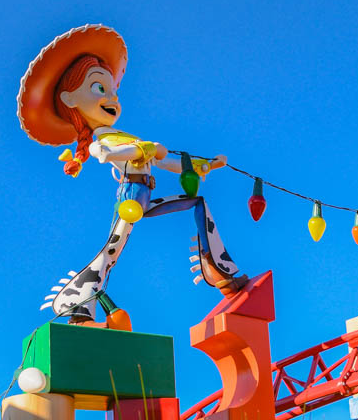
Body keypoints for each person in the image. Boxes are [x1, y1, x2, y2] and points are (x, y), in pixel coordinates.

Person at [17, 24, 246, 323]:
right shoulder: (107, 138)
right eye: (99, 88)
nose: (111, 97)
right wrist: (144, 150)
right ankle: (76, 303)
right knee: (110, 252)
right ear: (70, 99)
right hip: (132, 198)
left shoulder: (125, 136)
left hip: (142, 197)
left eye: (112, 90)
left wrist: (201, 165)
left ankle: (217, 268)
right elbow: (108, 154)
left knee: (194, 205)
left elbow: (164, 162)